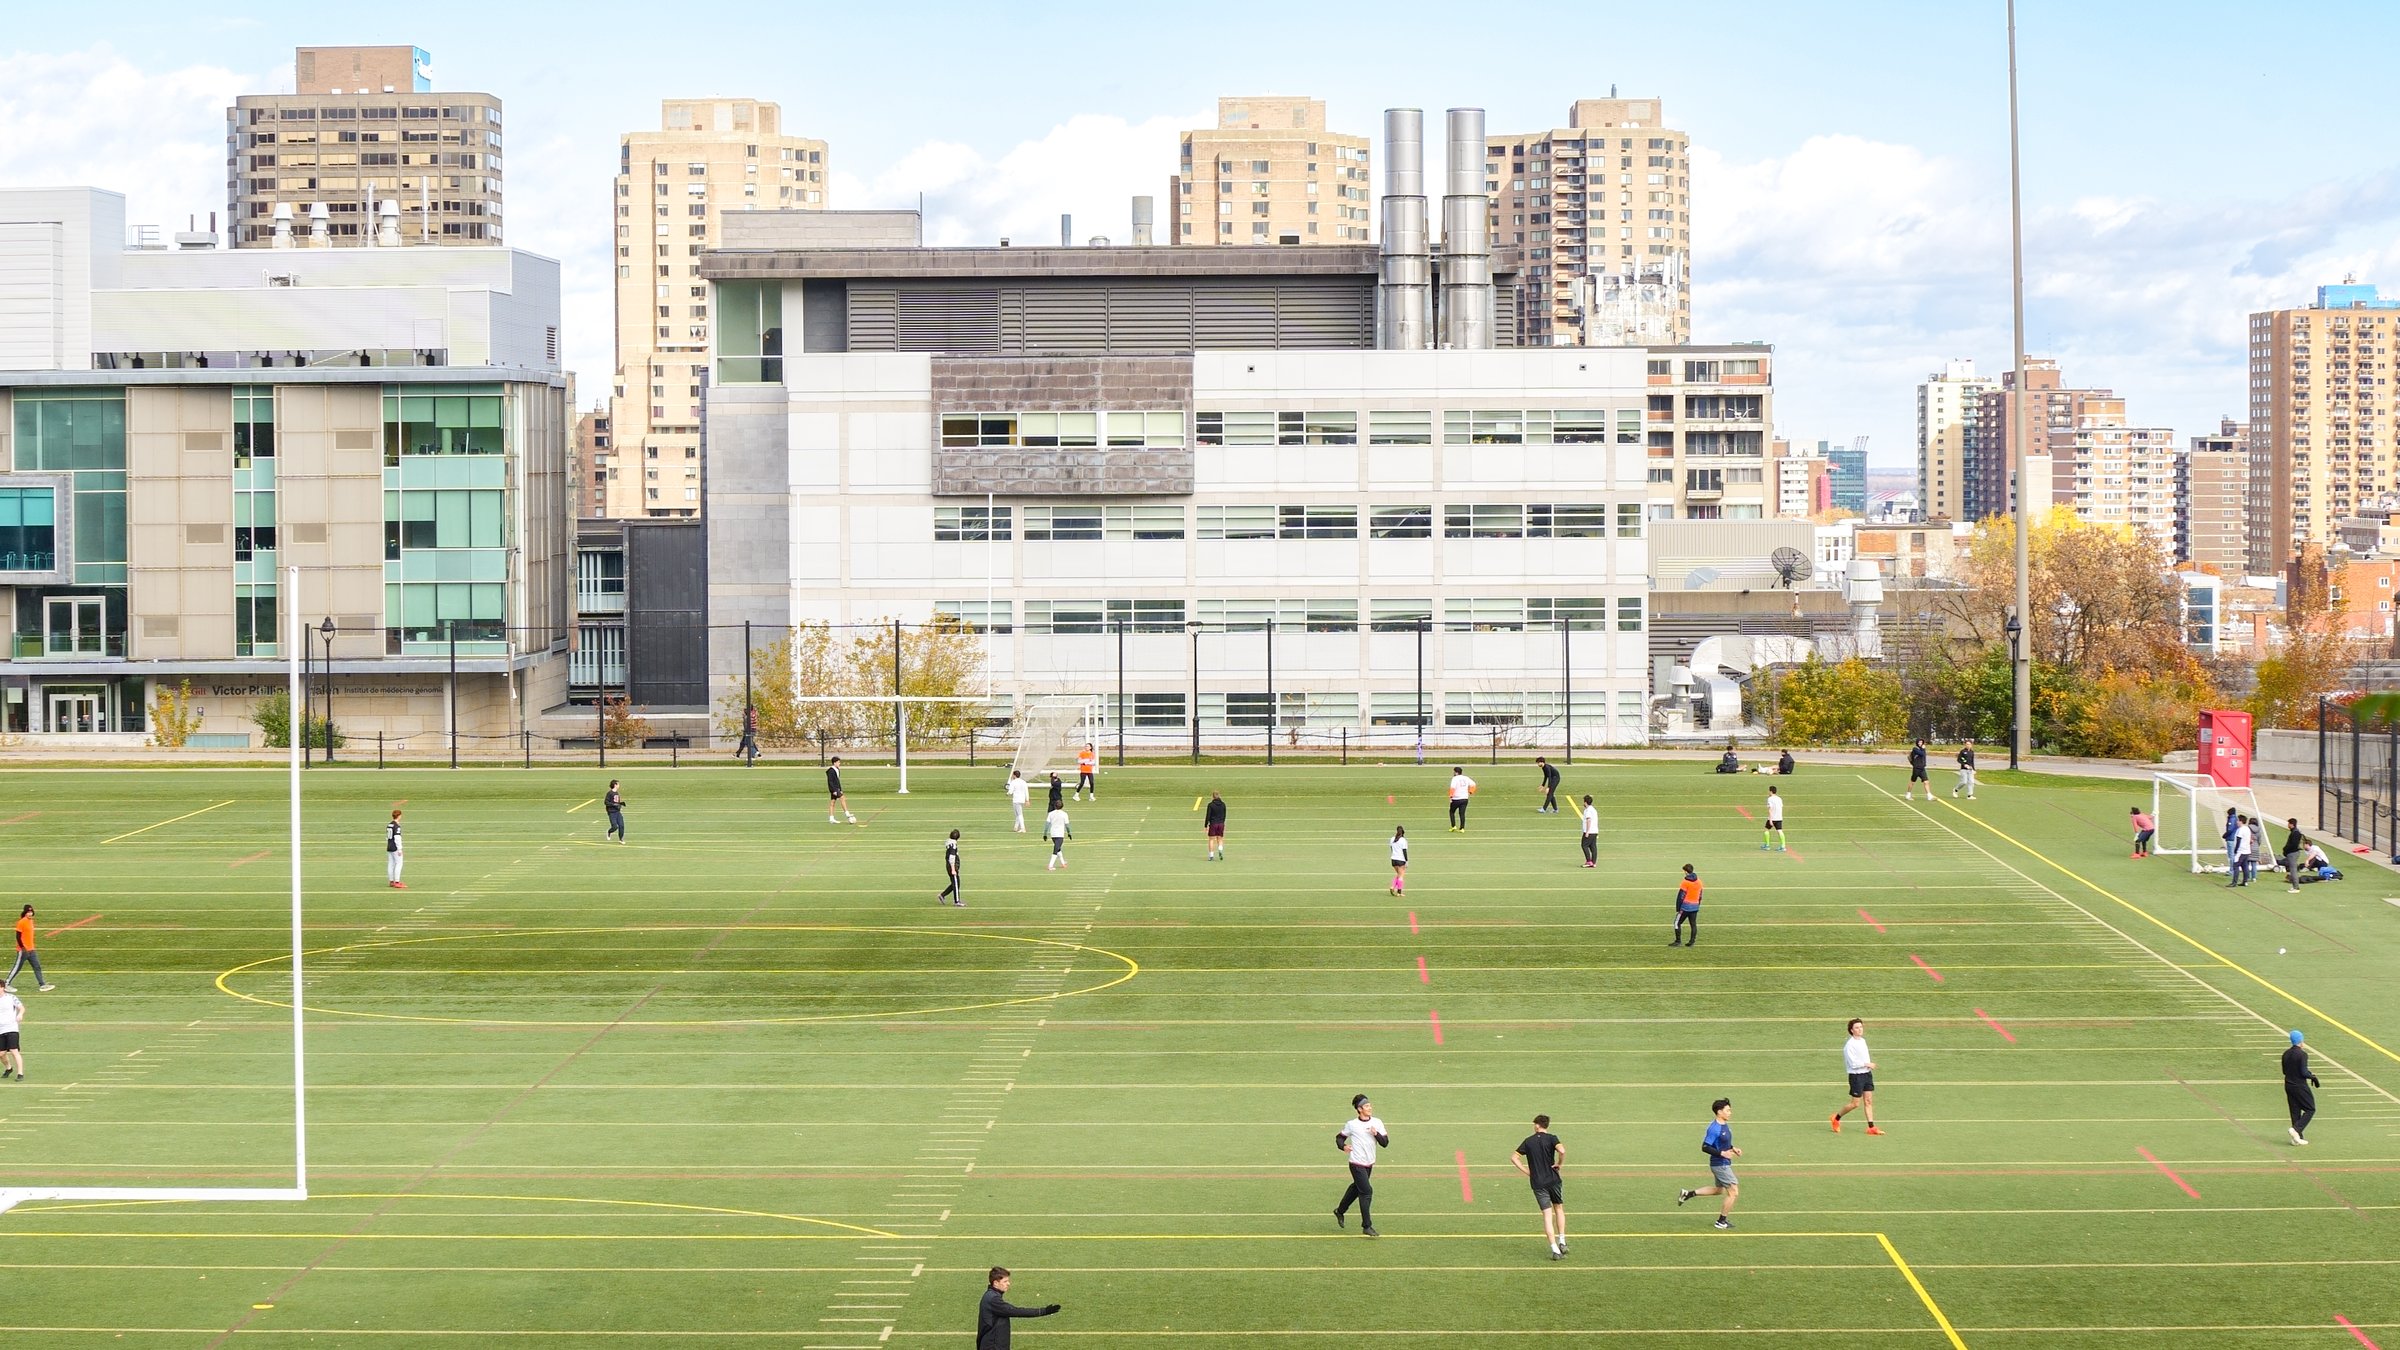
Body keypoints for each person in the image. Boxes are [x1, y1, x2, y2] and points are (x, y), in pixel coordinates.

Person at [1676, 1097, 1742, 1229]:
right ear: (1719, 1111)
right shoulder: (1714, 1128)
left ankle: (1688, 1194)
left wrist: (1732, 1148)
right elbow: (1705, 1146)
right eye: (1728, 1110)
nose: (1730, 1113)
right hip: (1720, 1164)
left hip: (1723, 1163)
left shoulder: (1723, 1124)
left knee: (1719, 1190)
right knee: (1733, 1191)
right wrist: (1722, 1153)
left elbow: (1722, 1142)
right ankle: (1721, 1221)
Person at [1512, 1113, 1568, 1259]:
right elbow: (1562, 1150)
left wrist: (1527, 1171)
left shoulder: (1528, 1141)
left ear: (1537, 1125)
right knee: (1559, 1208)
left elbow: (1514, 1158)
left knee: (1547, 1215)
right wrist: (1559, 1164)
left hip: (1538, 1183)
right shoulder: (1552, 1138)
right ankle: (1562, 1240)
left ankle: (1555, 1249)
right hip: (1553, 1180)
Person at [1332, 1093, 1388, 1237]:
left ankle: (1340, 1211)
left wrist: (1376, 1134)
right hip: (1356, 1163)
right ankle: (1366, 1226)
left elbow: (1385, 1143)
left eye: (1370, 1105)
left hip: (1369, 1163)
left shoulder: (1377, 1122)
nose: (1370, 1108)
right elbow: (1339, 1138)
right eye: (1367, 1106)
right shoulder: (1352, 1125)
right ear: (1359, 1109)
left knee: (1357, 1188)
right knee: (1366, 1191)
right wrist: (1343, 1146)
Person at [976, 1267, 1060, 1349]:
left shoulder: (991, 1296)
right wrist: (1043, 1311)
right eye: (1005, 1281)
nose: (1008, 1284)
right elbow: (1016, 1311)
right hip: (993, 1345)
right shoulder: (993, 1300)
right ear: (996, 1283)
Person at [1831, 1017, 1884, 1135]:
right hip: (1856, 1077)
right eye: (1857, 1028)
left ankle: (1871, 1127)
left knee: (1869, 1101)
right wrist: (1867, 1064)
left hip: (1867, 1074)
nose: (1860, 1029)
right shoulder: (1849, 1045)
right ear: (1851, 1030)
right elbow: (1853, 1064)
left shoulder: (1862, 1041)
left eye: (1861, 1027)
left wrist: (1868, 1066)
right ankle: (1836, 1118)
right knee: (1855, 1104)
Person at [2283, 1030, 2321, 1146]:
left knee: (2295, 1111)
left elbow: (2284, 1071)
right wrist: (2312, 1077)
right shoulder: (2302, 1054)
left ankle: (2297, 1138)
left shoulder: (2286, 1054)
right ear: (2300, 1040)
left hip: (2288, 1085)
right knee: (2310, 1108)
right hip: (2299, 1085)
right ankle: (2296, 1130)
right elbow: (2304, 1072)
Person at [8, 906, 53, 992]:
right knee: (17, 968)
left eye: (31, 912)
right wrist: (22, 947)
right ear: (25, 912)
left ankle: (42, 985)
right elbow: (18, 936)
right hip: (23, 950)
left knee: (37, 967)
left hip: (31, 949)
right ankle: (6, 983)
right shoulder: (21, 922)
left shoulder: (31, 921)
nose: (30, 913)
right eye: (28, 912)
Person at [1670, 864, 1702, 948]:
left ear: (1686, 871)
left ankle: (1678, 941)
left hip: (1685, 907)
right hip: (1695, 906)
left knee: (1677, 923)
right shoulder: (1699, 881)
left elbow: (1681, 896)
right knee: (1693, 924)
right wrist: (1698, 904)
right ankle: (1692, 941)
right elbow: (1700, 895)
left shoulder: (1685, 882)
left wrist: (1678, 908)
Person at [0, 982, 23, 1081]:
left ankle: (20, 1073)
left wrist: (20, 1014)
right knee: (1, 1053)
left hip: (11, 1028)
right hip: (1, 1029)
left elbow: (21, 1008)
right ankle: (9, 1068)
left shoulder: (11, 997)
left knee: (14, 1051)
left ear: (3, 988)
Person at [2280, 818, 2308, 893]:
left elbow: (2293, 845)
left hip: (2292, 853)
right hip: (2293, 853)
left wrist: (2286, 849)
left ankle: (2296, 887)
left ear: (2292, 824)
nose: (2288, 825)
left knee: (2293, 870)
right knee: (2293, 870)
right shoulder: (2295, 832)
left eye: (2289, 823)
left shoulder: (2295, 833)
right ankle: (2294, 886)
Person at [826, 756, 857, 825]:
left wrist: (840, 789)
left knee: (832, 803)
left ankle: (831, 818)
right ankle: (847, 813)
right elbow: (830, 781)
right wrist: (833, 790)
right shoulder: (831, 771)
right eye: (838, 762)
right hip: (834, 789)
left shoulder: (837, 769)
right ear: (834, 763)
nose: (839, 763)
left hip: (837, 788)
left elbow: (837, 780)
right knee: (842, 798)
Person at [2226, 815, 2253, 888]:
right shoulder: (2247, 829)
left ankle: (2234, 882)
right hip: (2247, 850)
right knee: (2245, 866)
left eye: (2238, 820)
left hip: (2241, 851)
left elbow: (2238, 840)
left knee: (2235, 865)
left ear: (2241, 821)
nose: (2237, 822)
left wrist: (2235, 850)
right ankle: (2245, 881)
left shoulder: (2241, 830)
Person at [939, 829, 964, 906]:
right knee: (956, 883)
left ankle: (942, 895)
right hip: (952, 866)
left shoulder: (950, 843)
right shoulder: (953, 845)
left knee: (956, 883)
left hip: (949, 865)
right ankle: (957, 901)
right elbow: (952, 857)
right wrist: (953, 869)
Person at [1448, 767, 1477, 831]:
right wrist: (1471, 791)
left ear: (1456, 772)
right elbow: (1473, 784)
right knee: (1462, 813)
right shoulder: (1466, 778)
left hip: (1456, 798)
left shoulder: (1454, 779)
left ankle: (1453, 826)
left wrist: (1451, 797)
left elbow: (1452, 788)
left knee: (1451, 812)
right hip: (1464, 799)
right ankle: (1462, 828)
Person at [385, 809, 406, 891]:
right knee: (399, 863)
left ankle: (391, 881)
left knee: (391, 864)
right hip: (395, 847)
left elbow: (387, 837)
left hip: (389, 845)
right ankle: (397, 882)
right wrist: (400, 849)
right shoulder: (397, 826)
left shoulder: (389, 825)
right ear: (399, 816)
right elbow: (397, 838)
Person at [1760, 787, 1787, 852]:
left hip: (1772, 817)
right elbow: (1781, 807)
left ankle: (1767, 845)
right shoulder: (1779, 798)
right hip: (1779, 817)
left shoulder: (1770, 799)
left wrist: (1771, 819)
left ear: (1771, 791)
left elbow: (1770, 809)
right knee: (1780, 831)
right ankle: (1783, 846)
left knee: (1766, 830)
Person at [1045, 804, 1071, 871]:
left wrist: (1045, 834)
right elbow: (1067, 825)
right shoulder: (1064, 814)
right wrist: (1069, 833)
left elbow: (1047, 824)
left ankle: (1063, 863)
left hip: (1053, 834)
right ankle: (1050, 865)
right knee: (1056, 850)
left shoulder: (1051, 813)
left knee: (1058, 848)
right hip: (1060, 834)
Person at [1204, 792, 1228, 861]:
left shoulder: (1210, 805)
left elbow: (1208, 816)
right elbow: (1224, 815)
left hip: (1213, 824)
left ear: (1213, 797)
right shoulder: (1223, 804)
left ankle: (1211, 856)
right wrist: (1223, 823)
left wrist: (1206, 825)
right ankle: (1220, 850)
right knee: (1220, 839)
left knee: (1211, 839)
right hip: (1221, 824)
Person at [1578, 795, 1599, 869]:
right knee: (1593, 847)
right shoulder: (1593, 809)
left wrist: (1587, 832)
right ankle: (1593, 862)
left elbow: (1588, 820)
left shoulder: (1588, 810)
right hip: (1595, 831)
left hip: (1589, 832)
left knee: (1584, 845)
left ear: (1585, 802)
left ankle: (1588, 861)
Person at [604, 779, 627, 843]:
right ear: (615, 785)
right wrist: (613, 805)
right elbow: (606, 802)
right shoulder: (609, 793)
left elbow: (617, 802)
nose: (619, 785)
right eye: (618, 784)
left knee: (621, 825)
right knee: (614, 826)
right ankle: (609, 832)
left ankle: (621, 839)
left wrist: (620, 805)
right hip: (612, 813)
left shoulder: (617, 793)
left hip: (617, 812)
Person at [2222, 807, 2242, 875]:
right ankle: (2233, 869)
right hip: (2234, 838)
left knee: (2231, 855)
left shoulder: (2232, 819)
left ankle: (2232, 870)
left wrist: (2225, 835)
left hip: (2231, 839)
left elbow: (2230, 829)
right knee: (2233, 855)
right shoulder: (2235, 818)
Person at [1389, 826, 1409, 895]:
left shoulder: (1392, 839)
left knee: (1398, 874)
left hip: (1393, 859)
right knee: (1401, 876)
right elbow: (1404, 851)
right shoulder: (1403, 840)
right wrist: (1406, 861)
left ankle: (1393, 887)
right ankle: (1399, 892)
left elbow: (1391, 849)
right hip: (1400, 860)